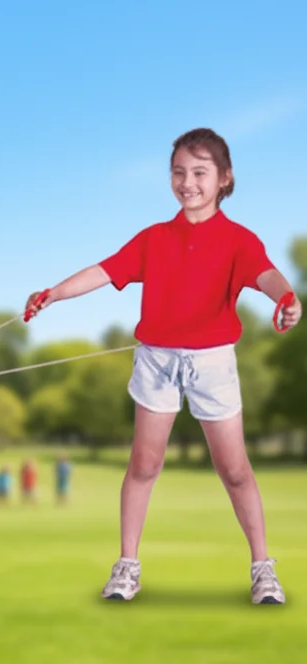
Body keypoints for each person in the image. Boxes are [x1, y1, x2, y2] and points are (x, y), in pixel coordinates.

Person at [26, 128, 301, 604]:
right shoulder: (154, 238)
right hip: (155, 362)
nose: (187, 182)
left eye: (199, 172)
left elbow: (268, 275)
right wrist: (53, 293)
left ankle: (263, 568)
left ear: (224, 178)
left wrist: (288, 299)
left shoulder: (238, 240)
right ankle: (126, 565)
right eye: (178, 172)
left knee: (234, 469)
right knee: (143, 464)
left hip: (213, 364)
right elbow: (103, 270)